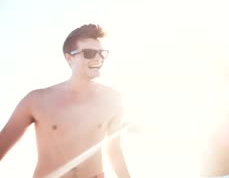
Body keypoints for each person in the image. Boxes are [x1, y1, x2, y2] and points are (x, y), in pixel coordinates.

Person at [0, 24, 131, 178]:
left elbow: (114, 151)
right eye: (89, 53)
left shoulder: (113, 99)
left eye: (102, 53)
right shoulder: (36, 100)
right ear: (69, 58)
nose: (98, 58)